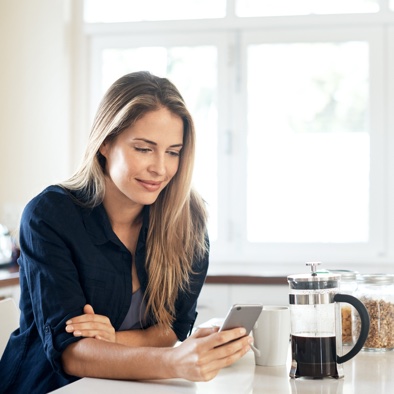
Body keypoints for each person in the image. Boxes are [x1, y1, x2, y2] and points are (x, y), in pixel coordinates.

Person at [0, 71, 252, 393]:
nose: (160, 169)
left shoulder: (187, 221)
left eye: (173, 152)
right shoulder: (49, 216)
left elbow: (171, 329)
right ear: (105, 142)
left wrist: (112, 341)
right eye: (144, 149)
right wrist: (175, 362)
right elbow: (72, 355)